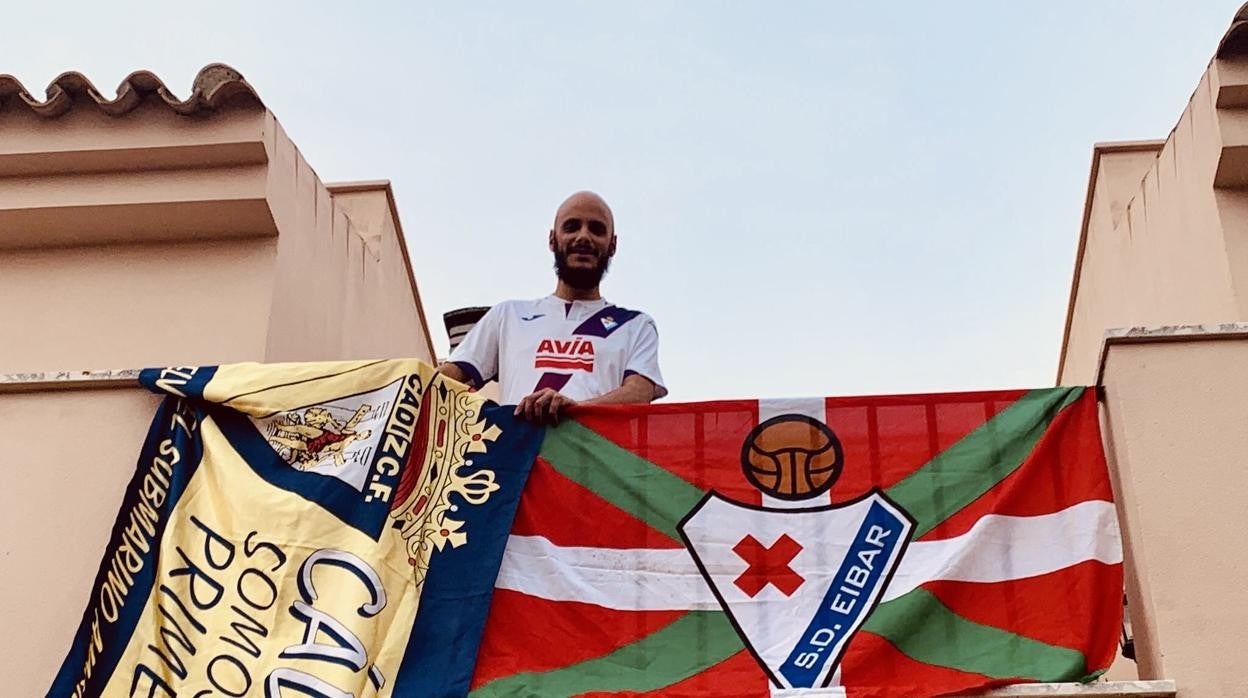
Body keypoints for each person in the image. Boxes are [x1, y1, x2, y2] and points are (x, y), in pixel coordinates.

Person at [438, 191, 667, 423]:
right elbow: (442, 381)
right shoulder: (507, 315)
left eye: (596, 229)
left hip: (594, 457)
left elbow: (639, 394)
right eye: (572, 227)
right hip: (519, 457)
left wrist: (575, 410)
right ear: (552, 239)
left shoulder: (636, 325)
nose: (584, 236)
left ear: (613, 245)